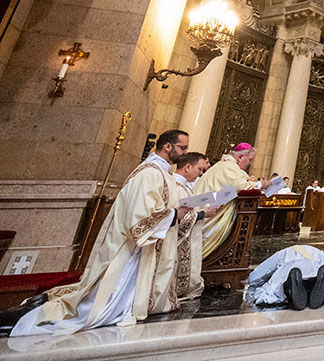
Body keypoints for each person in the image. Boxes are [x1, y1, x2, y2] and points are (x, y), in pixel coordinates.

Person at [11, 130, 193, 335]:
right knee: (105, 299)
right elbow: (139, 215)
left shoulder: (161, 173)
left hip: (144, 247)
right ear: (168, 146)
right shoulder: (149, 173)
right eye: (182, 147)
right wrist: (174, 213)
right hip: (131, 248)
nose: (185, 152)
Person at [195, 142, 273, 257]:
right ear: (240, 157)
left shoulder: (227, 166)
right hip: (207, 210)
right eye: (250, 160)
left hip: (207, 204)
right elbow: (239, 186)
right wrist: (261, 184)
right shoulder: (228, 167)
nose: (250, 164)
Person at [171, 152, 216, 301]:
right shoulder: (174, 187)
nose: (201, 174)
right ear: (188, 167)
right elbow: (177, 216)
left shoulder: (183, 187)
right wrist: (203, 214)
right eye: (200, 169)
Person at [245, 245, 324, 310]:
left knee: (274, 287)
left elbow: (254, 278)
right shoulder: (318, 253)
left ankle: (289, 291)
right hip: (315, 272)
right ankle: (323, 291)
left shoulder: (282, 254)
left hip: (291, 270)